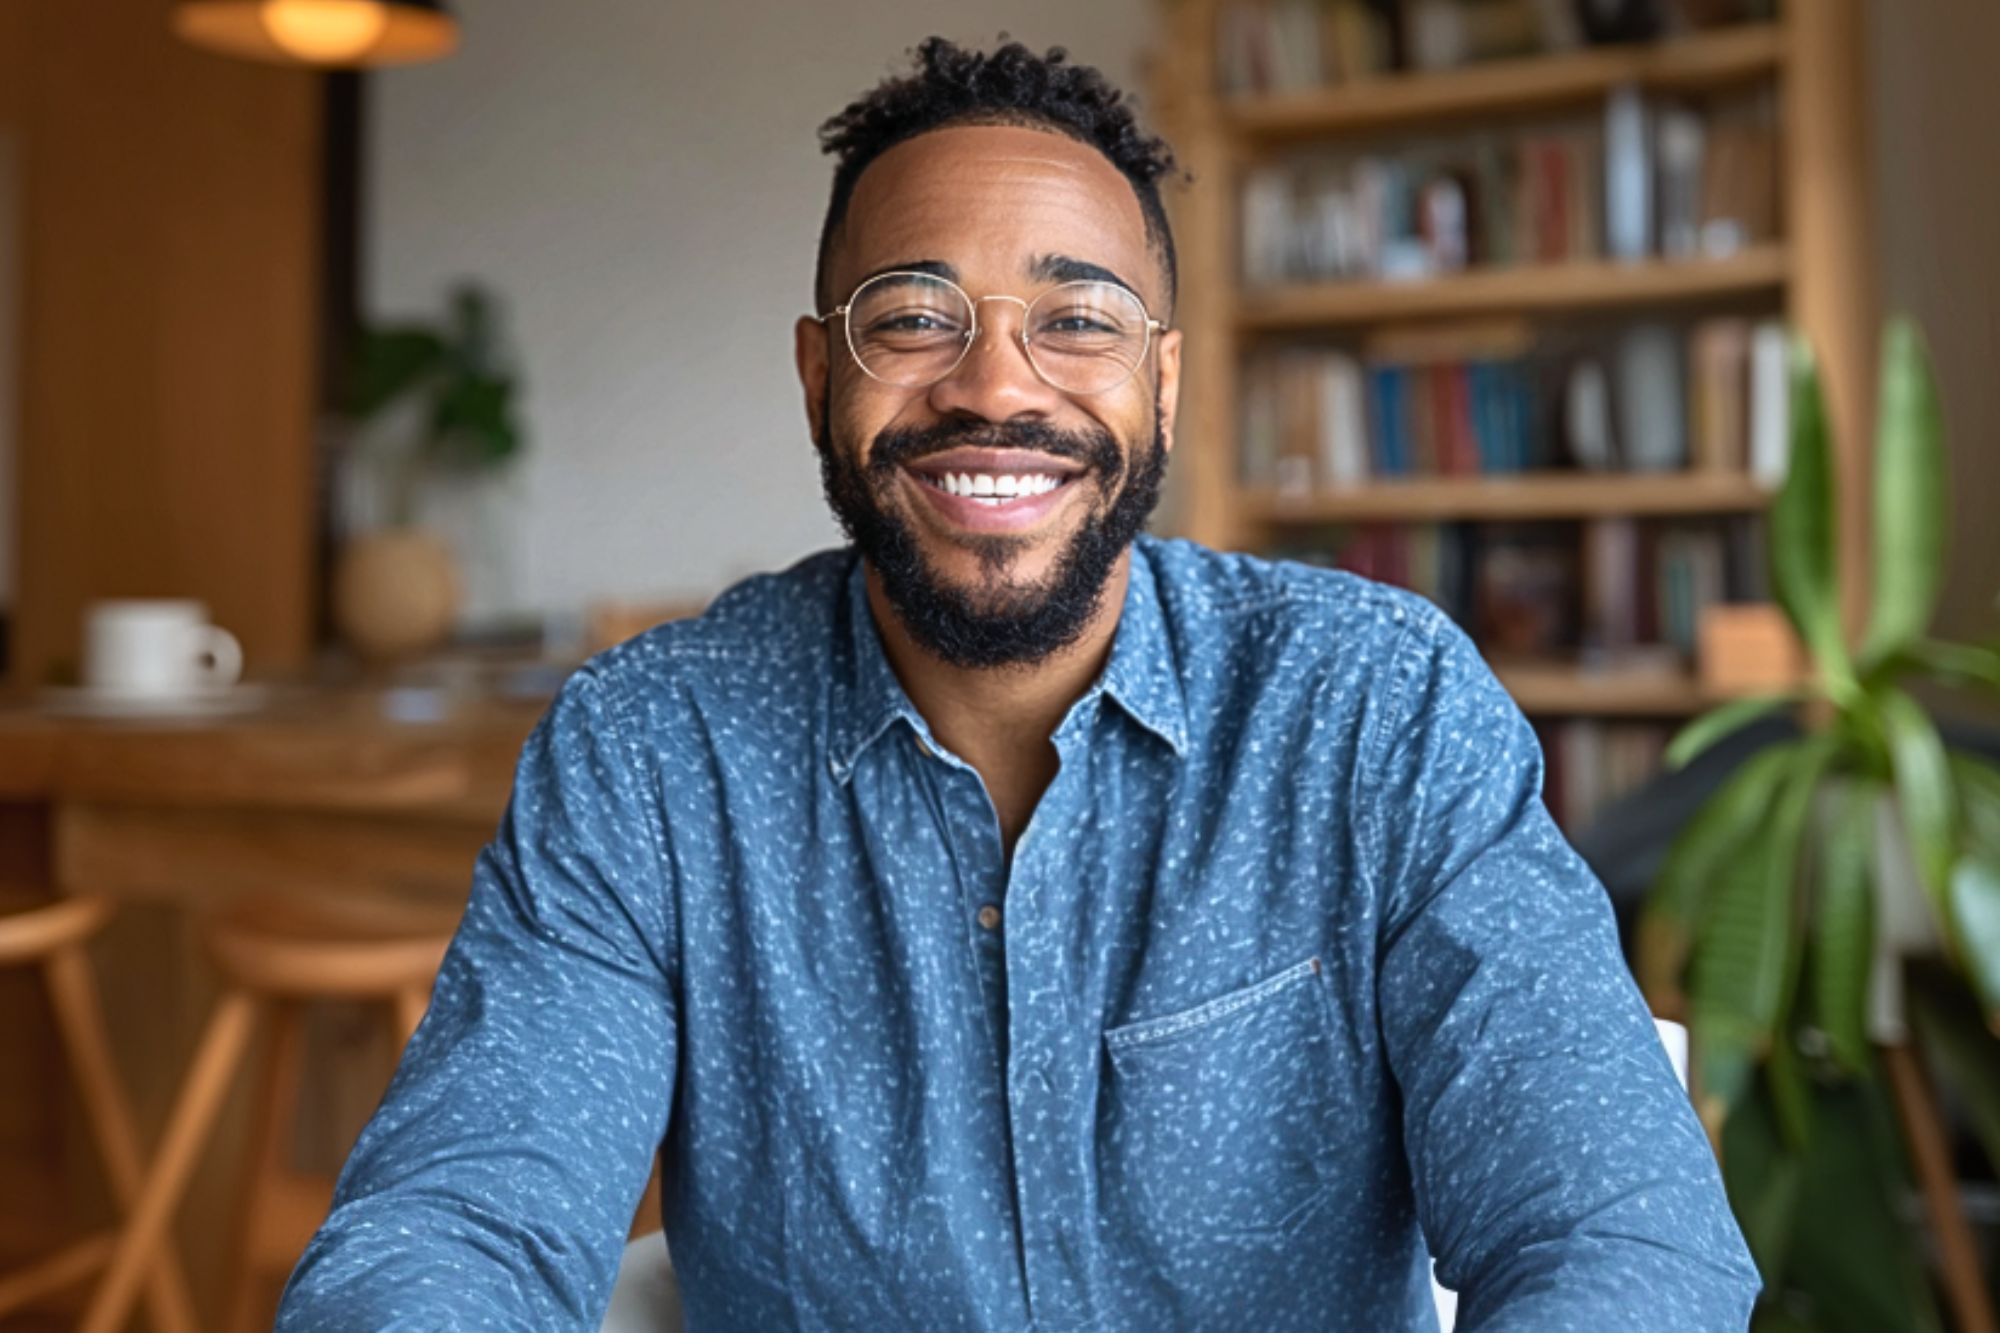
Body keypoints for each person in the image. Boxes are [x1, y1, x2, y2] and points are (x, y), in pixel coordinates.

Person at [277, 37, 1758, 1331]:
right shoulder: (648, 756)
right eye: (914, 317)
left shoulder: (1376, 710)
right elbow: (459, 1223)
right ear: (818, 376)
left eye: (1078, 318)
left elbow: (1616, 1229)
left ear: (1161, 383)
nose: (996, 386)